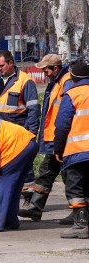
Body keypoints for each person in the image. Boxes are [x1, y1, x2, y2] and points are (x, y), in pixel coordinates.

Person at [18, 54, 73, 223]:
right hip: (55, 138)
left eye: (46, 69)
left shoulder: (67, 82)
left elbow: (67, 112)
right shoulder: (56, 82)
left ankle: (80, 213)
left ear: (55, 68)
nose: (44, 73)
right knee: (46, 173)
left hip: (64, 139)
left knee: (69, 176)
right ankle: (36, 208)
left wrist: (61, 138)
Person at [0, 50, 41, 206]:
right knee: (1, 164)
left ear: (11, 63)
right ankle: (5, 198)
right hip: (0, 133)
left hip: (18, 131)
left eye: (2, 65)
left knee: (24, 166)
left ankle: (28, 198)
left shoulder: (25, 81)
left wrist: (32, 132)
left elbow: (33, 109)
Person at [54, 62, 89, 239]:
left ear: (74, 77)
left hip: (79, 151)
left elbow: (61, 125)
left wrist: (58, 149)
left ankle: (81, 224)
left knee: (75, 188)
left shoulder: (73, 94)